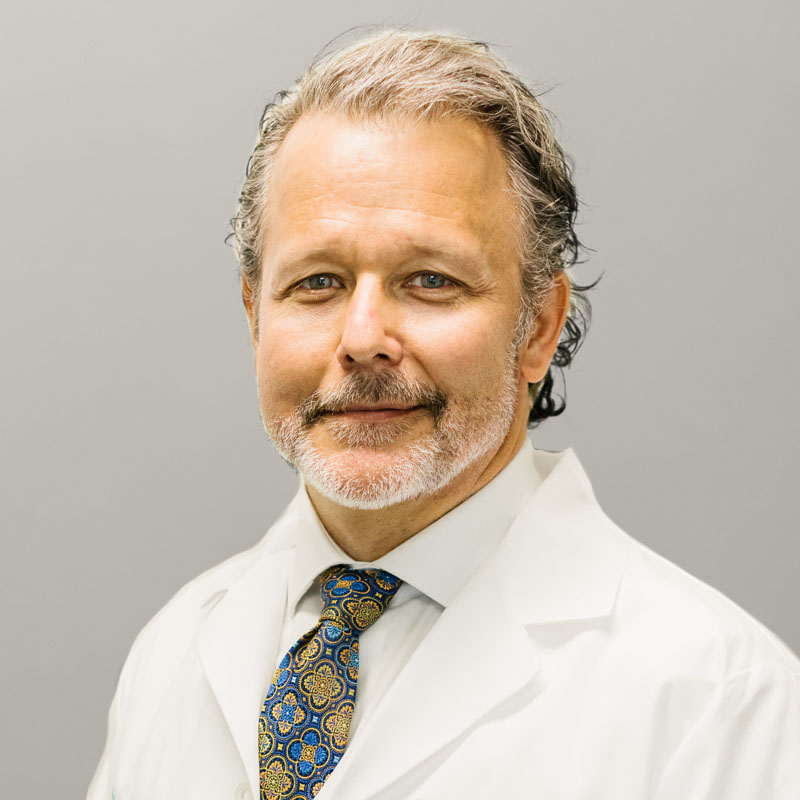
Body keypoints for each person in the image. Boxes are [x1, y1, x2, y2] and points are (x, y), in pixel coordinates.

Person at [88, 29, 800, 800]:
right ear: (255, 316)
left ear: (539, 326)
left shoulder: (721, 705)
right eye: (318, 282)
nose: (363, 338)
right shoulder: (170, 655)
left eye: (430, 279)